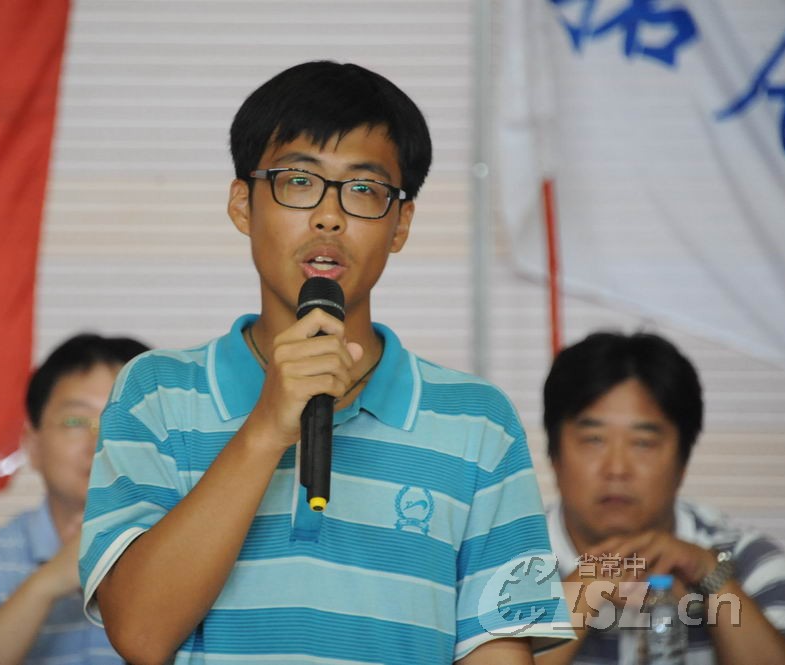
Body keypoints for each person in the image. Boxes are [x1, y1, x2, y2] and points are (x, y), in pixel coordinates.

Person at [78, 61, 573, 665]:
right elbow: (139, 633)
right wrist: (267, 426)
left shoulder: (479, 420)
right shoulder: (157, 392)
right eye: (298, 181)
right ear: (242, 204)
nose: (329, 216)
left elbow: (498, 649)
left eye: (363, 190)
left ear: (401, 224)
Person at [536, 331, 785, 665]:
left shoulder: (747, 559)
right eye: (594, 440)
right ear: (554, 455)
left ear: (683, 461)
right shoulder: (506, 561)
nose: (617, 469)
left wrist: (712, 577)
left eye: (643, 443)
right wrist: (586, 586)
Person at [0, 333, 149, 665]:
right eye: (75, 421)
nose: (100, 442)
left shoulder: (197, 549)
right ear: (33, 446)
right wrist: (51, 581)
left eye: (122, 421)